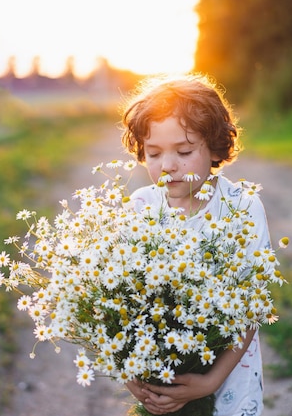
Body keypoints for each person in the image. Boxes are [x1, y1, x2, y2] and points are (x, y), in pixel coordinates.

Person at [119, 73, 271, 416]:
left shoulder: (241, 206)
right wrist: (134, 379)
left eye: (184, 151)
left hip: (229, 384)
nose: (168, 166)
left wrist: (210, 382)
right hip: (159, 387)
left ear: (215, 146)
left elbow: (252, 307)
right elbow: (121, 305)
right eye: (153, 153)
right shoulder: (141, 207)